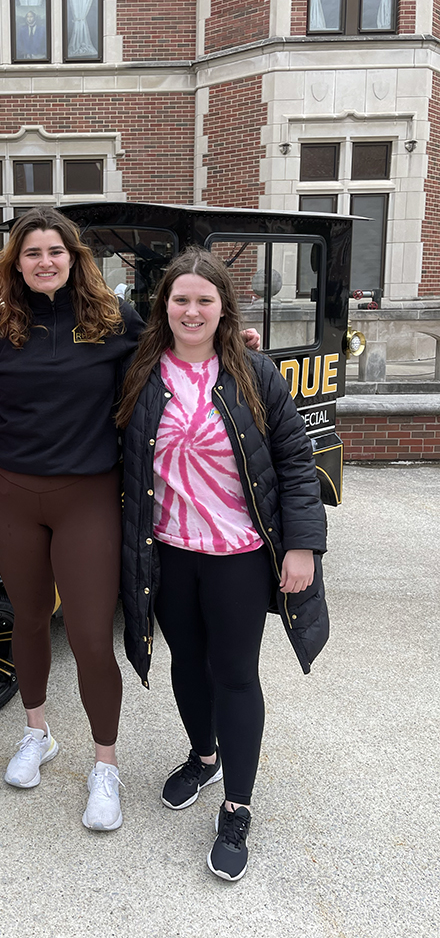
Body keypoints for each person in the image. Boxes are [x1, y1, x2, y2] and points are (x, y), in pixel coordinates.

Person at [116, 246, 329, 880]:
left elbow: (295, 461)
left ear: (222, 308)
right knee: (185, 661)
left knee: (234, 674)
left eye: (204, 300)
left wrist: (302, 545)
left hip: (238, 554)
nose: (191, 310)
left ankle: (237, 804)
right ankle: (203, 756)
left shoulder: (255, 373)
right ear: (164, 307)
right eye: (180, 299)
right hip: (171, 553)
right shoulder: (140, 372)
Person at [0, 207, 145, 831]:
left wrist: (231, 342)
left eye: (55, 251)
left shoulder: (113, 321)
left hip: (88, 494)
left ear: (75, 258)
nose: (44, 262)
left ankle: (106, 765)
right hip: (12, 492)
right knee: (27, 619)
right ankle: (37, 732)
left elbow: (169, 363)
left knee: (90, 635)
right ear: (14, 264)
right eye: (32, 253)